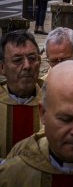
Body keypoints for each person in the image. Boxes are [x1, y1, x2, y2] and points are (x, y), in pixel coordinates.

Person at [0, 30, 42, 159]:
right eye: (18, 60)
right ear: (2, 68)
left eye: (32, 58)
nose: (27, 66)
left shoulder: (55, 99)